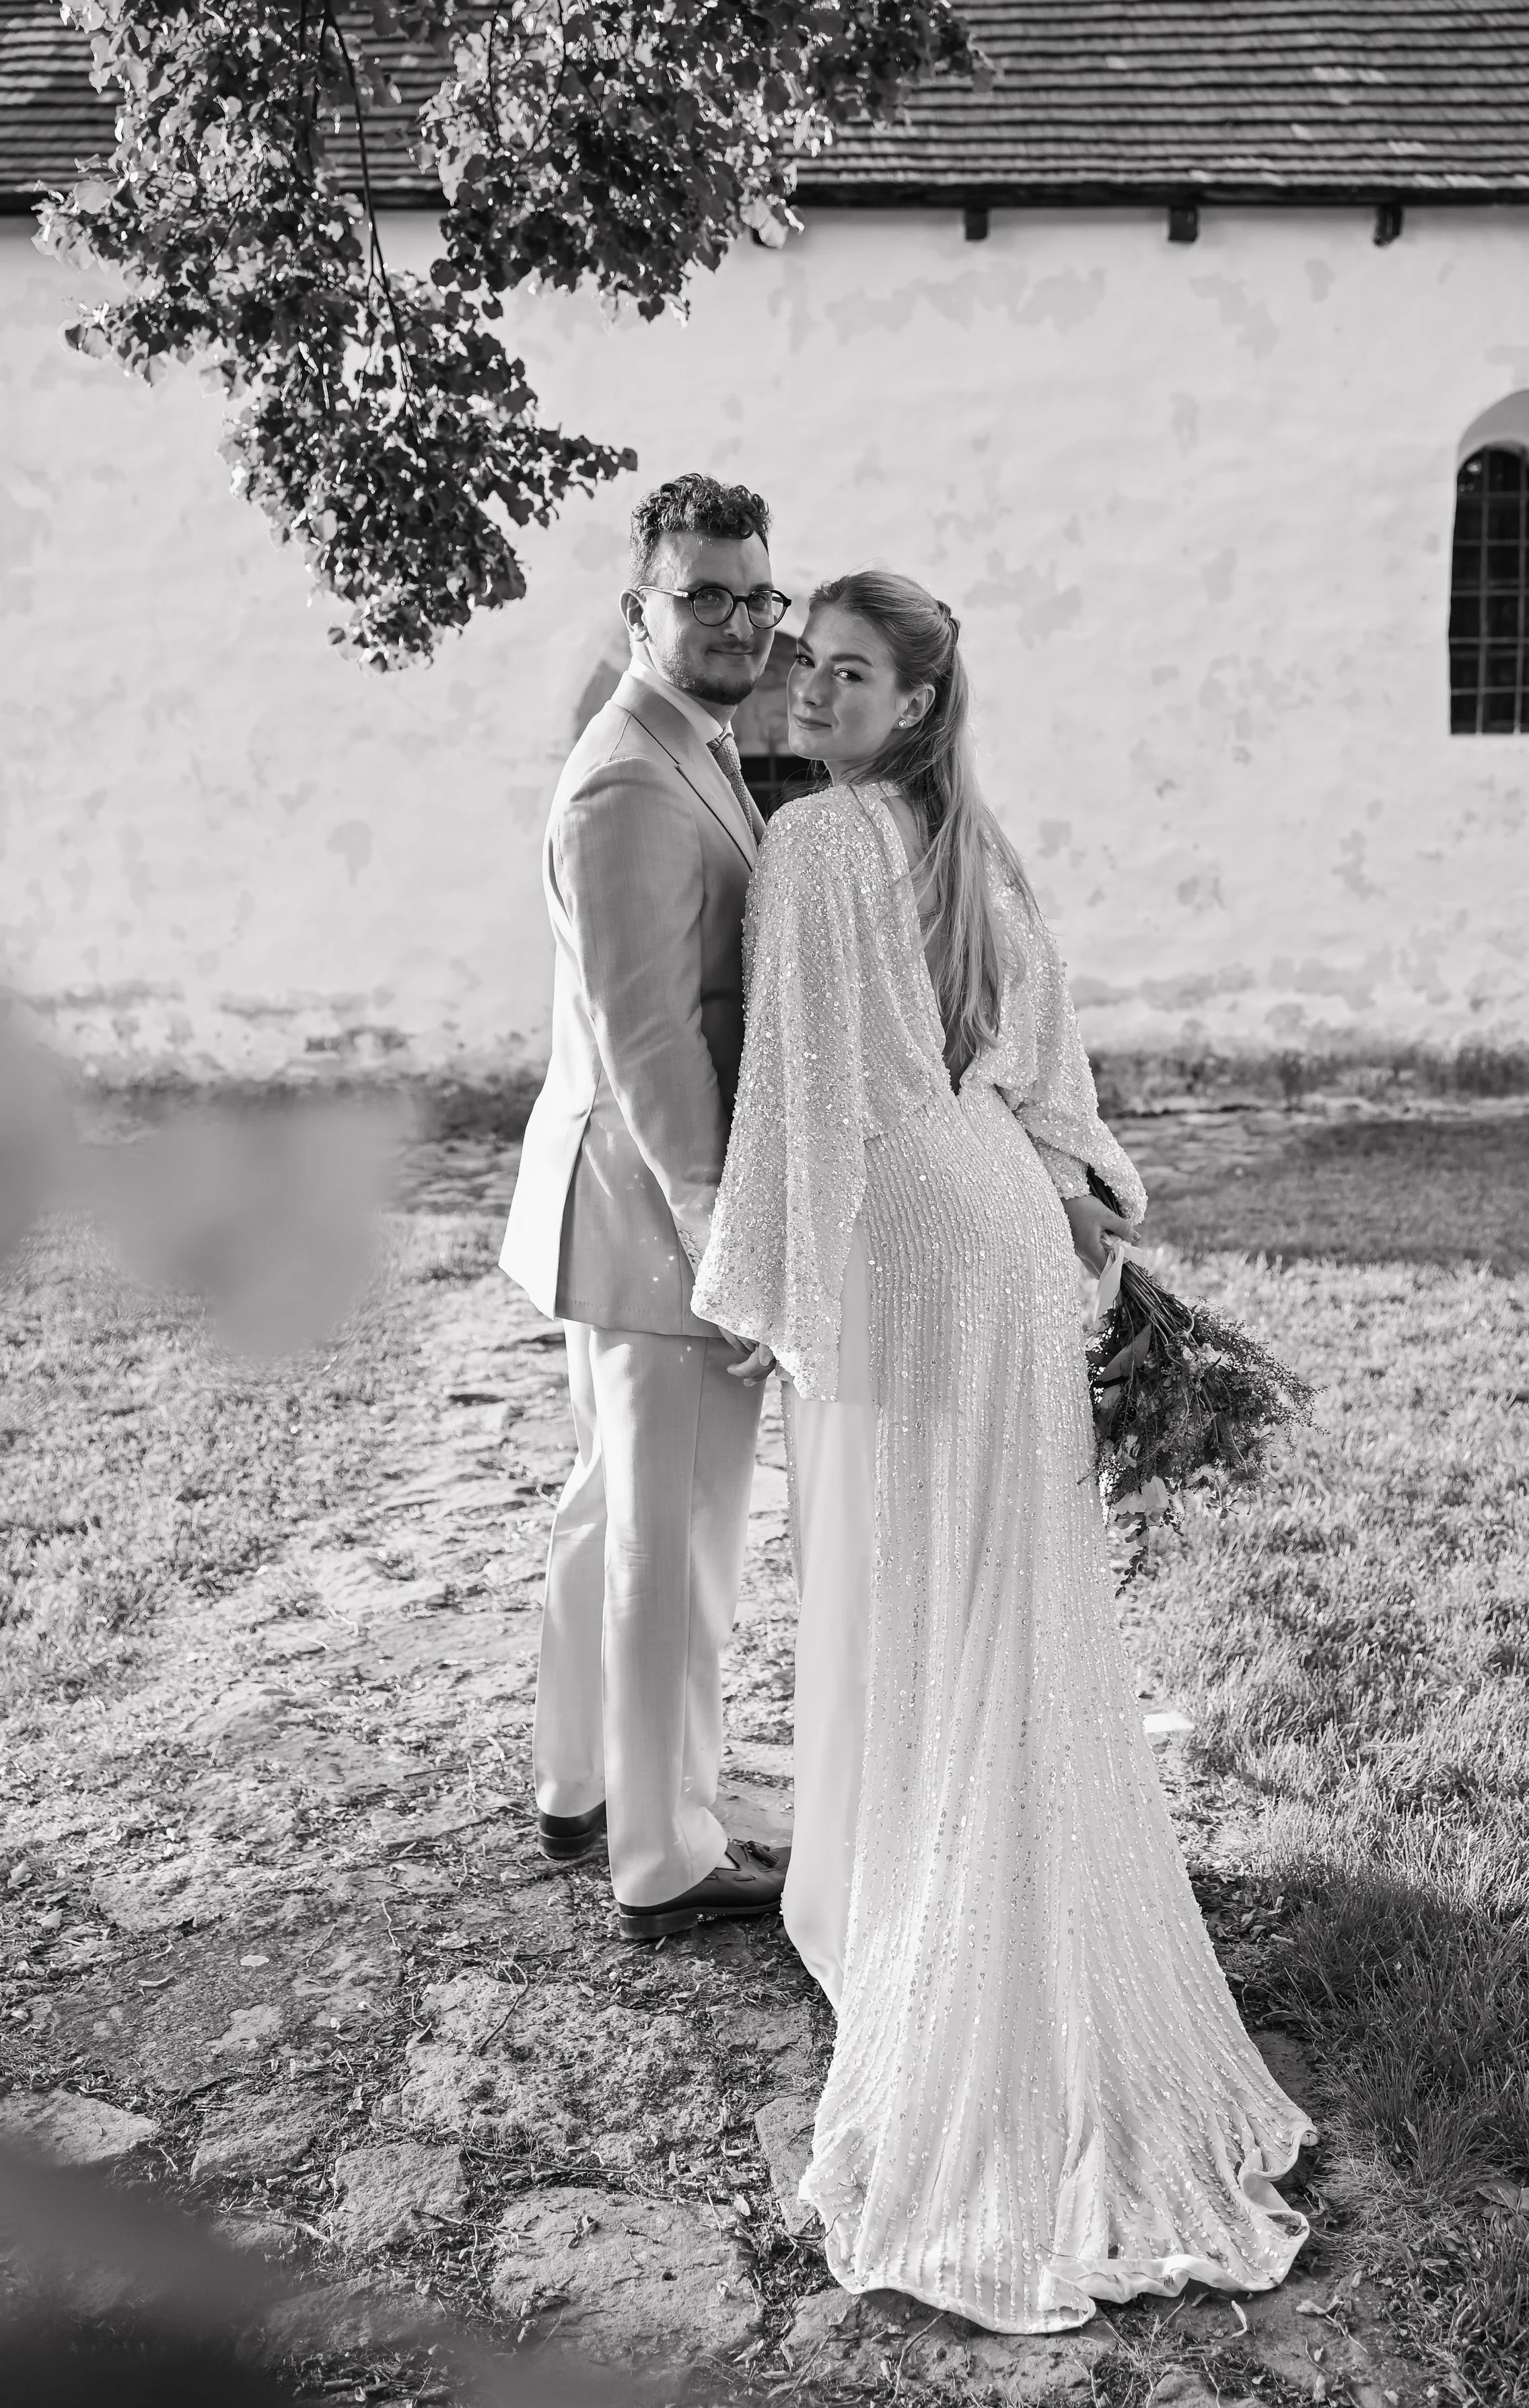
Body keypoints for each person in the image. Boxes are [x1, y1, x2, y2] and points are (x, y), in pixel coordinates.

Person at [691, 572, 1313, 2333]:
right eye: (805, 663)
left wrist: (769, 1287)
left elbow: (803, 1100)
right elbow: (1042, 1058)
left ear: (910, 697)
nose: (812, 689)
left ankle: (930, 1926)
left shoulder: (816, 844)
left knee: (904, 1584)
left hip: (904, 1240)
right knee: (1005, 1596)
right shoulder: (970, 835)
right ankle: (974, 1890)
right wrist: (1077, 1195)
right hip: (1000, 1232)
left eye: (849, 671)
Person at [498, 473, 793, 1941]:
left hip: (616, 1214)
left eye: (755, 595)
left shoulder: (694, 745)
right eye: (704, 596)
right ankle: (666, 1857)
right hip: (653, 1223)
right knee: (674, 1541)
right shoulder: (628, 776)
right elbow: (650, 1038)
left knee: (610, 1514)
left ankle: (577, 1785)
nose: (738, 620)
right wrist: (726, 1249)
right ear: (640, 608)